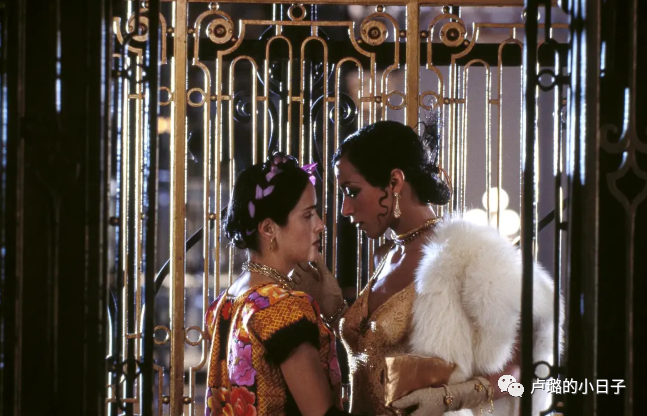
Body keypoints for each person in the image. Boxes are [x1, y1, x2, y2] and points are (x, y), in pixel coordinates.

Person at [290, 119, 560, 415]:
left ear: (394, 182)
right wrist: (333, 308)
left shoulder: (466, 256)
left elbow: (522, 370)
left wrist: (450, 397)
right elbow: (374, 350)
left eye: (352, 191)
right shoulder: (385, 256)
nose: (345, 209)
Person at [204, 153, 350, 416]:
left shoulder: (226, 302)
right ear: (268, 229)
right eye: (308, 215)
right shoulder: (283, 308)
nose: (320, 225)